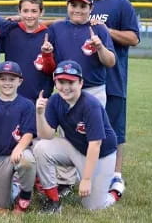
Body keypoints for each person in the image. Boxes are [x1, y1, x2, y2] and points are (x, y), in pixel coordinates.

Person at [85, 0, 140, 198]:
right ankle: (85, 172)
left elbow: (134, 38)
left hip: (113, 78)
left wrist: (107, 31)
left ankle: (115, 175)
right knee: (84, 128)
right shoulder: (82, 2)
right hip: (85, 80)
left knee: (114, 129)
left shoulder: (120, 5)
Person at [34, 60, 118, 212]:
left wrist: (86, 179)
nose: (65, 87)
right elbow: (46, 135)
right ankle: (53, 200)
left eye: (71, 82)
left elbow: (95, 144)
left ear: (80, 83)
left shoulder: (90, 104)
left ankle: (115, 190)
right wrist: (39, 114)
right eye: (61, 81)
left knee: (93, 207)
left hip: (101, 155)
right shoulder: (55, 100)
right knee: (40, 147)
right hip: (77, 148)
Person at [44, 0, 115, 106]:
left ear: (91, 8)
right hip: (65, 89)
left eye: (83, 6)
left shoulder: (98, 28)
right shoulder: (56, 28)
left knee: (93, 124)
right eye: (73, 5)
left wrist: (100, 47)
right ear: (67, 6)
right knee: (65, 125)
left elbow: (111, 62)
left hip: (93, 90)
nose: (77, 10)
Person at [0, 61, 36, 212]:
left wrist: (19, 148)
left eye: (12, 79)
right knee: (2, 206)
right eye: (3, 79)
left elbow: (28, 133)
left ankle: (24, 197)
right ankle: (13, 187)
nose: (7, 83)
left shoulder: (26, 105)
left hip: (18, 152)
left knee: (27, 161)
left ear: (19, 82)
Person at [2, 0, 54, 102]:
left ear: (42, 12)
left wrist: (47, 54)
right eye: (25, 11)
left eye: (34, 11)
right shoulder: (10, 31)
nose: (29, 15)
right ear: (19, 11)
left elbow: (50, 70)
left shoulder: (49, 34)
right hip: (13, 96)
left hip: (40, 97)